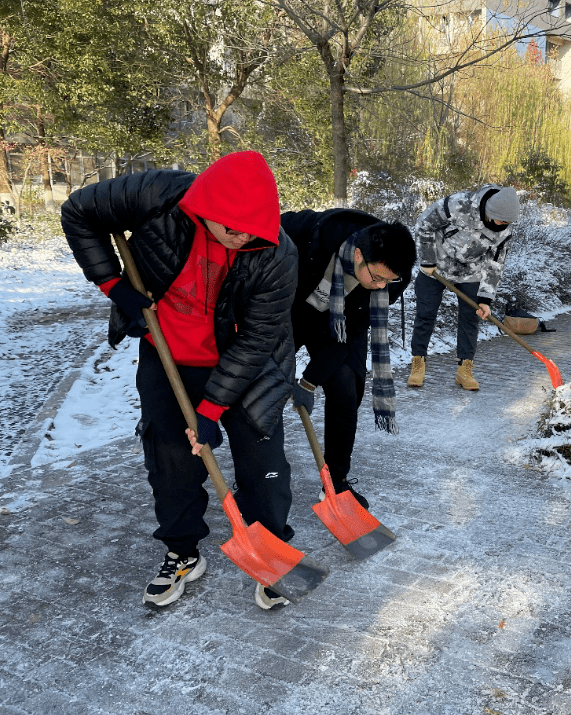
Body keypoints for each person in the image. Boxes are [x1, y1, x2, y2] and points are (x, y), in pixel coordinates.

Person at [61, 151, 298, 611]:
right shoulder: (157, 196)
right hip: (166, 354)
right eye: (229, 227)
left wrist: (210, 411)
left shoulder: (277, 255)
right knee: (169, 460)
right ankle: (183, 551)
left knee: (263, 458)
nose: (240, 237)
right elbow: (79, 212)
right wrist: (113, 285)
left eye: (250, 229)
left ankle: (270, 550)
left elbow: (255, 342)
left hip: (244, 365)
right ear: (205, 206)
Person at [281, 208, 416, 509]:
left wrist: (309, 380)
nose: (383, 287)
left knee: (346, 388)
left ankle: (336, 482)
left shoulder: (394, 277)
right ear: (358, 255)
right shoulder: (310, 233)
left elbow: (355, 326)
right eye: (378, 277)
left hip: (343, 320)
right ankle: (261, 477)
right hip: (288, 309)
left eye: (389, 282)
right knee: (266, 388)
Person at [407, 185, 520, 390]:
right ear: (490, 212)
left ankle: (464, 369)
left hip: (471, 272)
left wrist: (486, 299)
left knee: (471, 317)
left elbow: (495, 265)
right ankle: (418, 363)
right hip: (436, 266)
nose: (505, 225)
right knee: (426, 313)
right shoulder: (459, 204)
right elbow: (425, 224)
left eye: (508, 222)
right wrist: (428, 259)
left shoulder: (505, 232)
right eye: (503, 220)